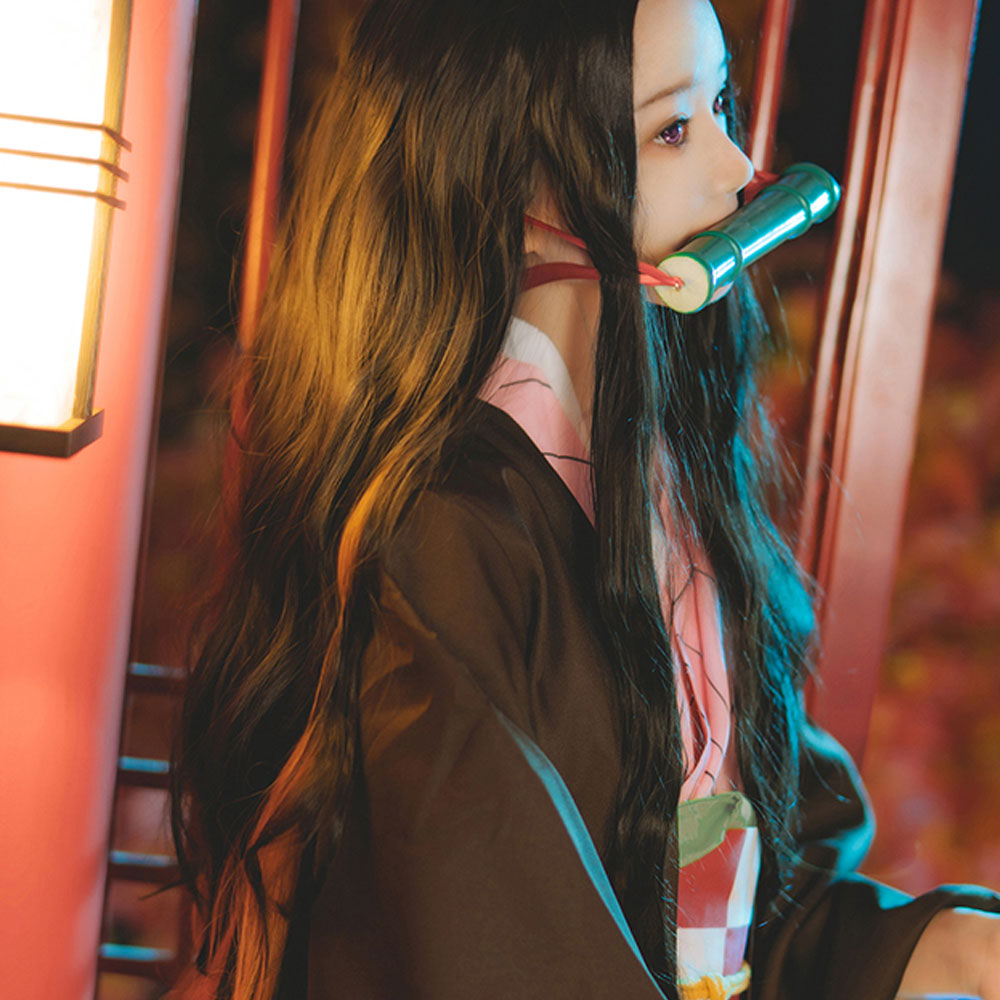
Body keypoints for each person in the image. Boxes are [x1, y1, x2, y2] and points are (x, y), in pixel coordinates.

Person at [170, 0, 1000, 997]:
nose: (739, 168)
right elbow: (496, 946)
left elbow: (746, 917)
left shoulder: (667, 481)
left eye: (719, 105)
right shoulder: (442, 528)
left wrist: (932, 950)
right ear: (513, 172)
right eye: (672, 130)